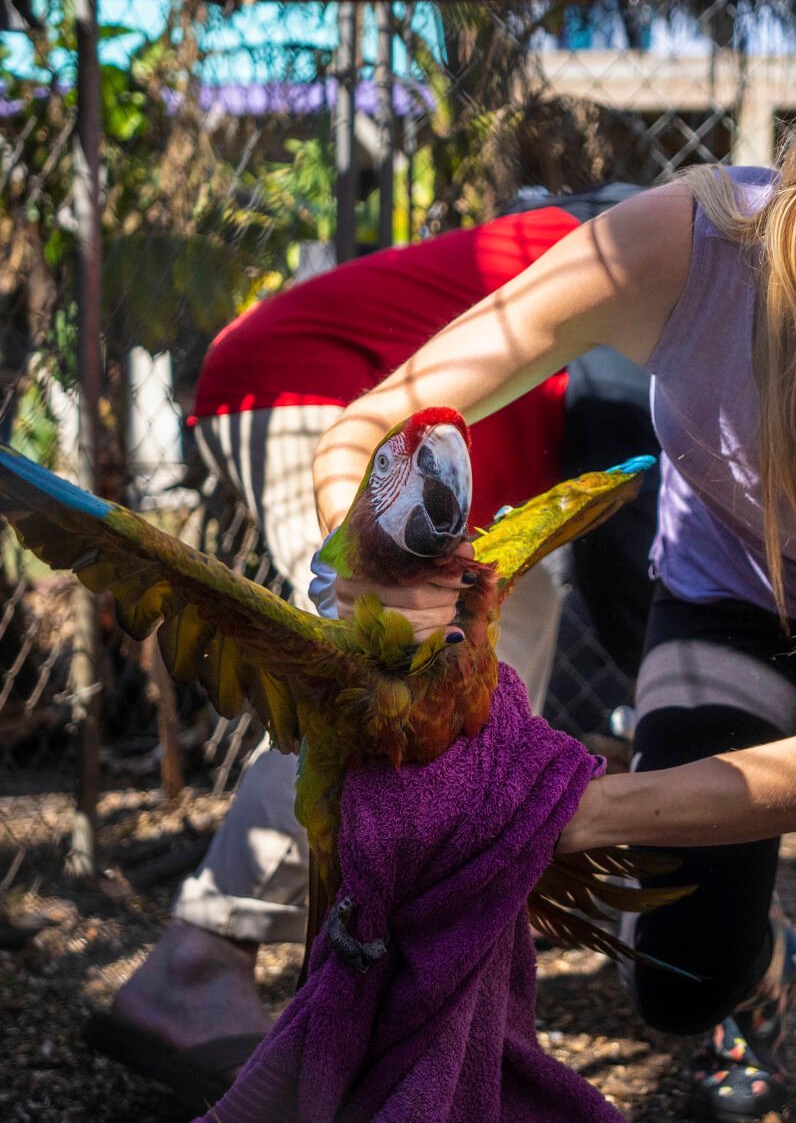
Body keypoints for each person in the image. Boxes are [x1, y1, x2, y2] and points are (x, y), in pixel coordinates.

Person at [309, 34, 796, 1123]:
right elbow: (388, 412)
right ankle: (754, 976)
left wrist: (543, 814)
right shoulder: (676, 245)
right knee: (678, 976)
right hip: (732, 579)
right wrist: (366, 555)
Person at [85, 191, 659, 1105]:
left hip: (423, 463)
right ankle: (197, 962)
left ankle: (434, 902)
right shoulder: (649, 257)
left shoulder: (608, 245)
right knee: (370, 686)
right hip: (314, 393)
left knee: (501, 650)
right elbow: (642, 529)